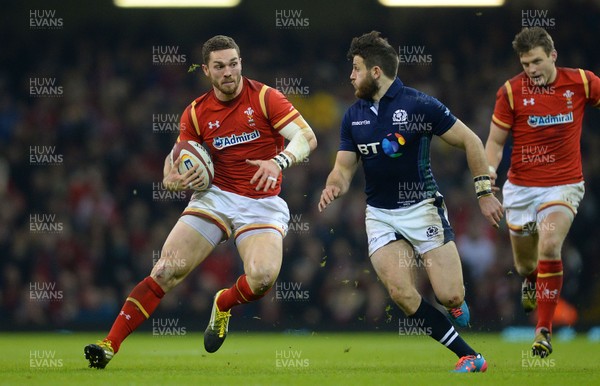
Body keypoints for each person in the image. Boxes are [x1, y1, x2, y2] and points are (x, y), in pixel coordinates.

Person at [84, 35, 317, 369]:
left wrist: (279, 162)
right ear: (207, 70)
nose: (228, 72)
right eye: (219, 66)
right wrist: (170, 178)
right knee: (165, 271)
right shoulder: (196, 112)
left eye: (233, 64)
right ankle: (109, 344)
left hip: (262, 201)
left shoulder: (266, 98)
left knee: (263, 278)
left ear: (241, 63)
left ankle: (223, 302)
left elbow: (306, 136)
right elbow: (178, 153)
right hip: (215, 198)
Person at [318, 31, 503, 373]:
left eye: (356, 68)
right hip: (380, 215)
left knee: (448, 296)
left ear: (376, 72)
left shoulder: (419, 105)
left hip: (423, 209)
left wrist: (484, 192)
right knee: (402, 294)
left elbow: (471, 140)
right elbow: (342, 168)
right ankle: (471, 357)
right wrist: (334, 186)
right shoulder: (352, 115)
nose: (351, 76)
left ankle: (457, 303)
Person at [485, 27, 600, 358]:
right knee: (524, 266)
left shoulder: (581, 82)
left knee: (550, 245)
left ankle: (543, 331)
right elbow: (494, 142)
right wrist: (488, 174)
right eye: (525, 64)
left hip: (564, 184)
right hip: (520, 188)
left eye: (536, 61)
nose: (531, 70)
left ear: (553, 56)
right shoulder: (509, 92)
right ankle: (531, 281)